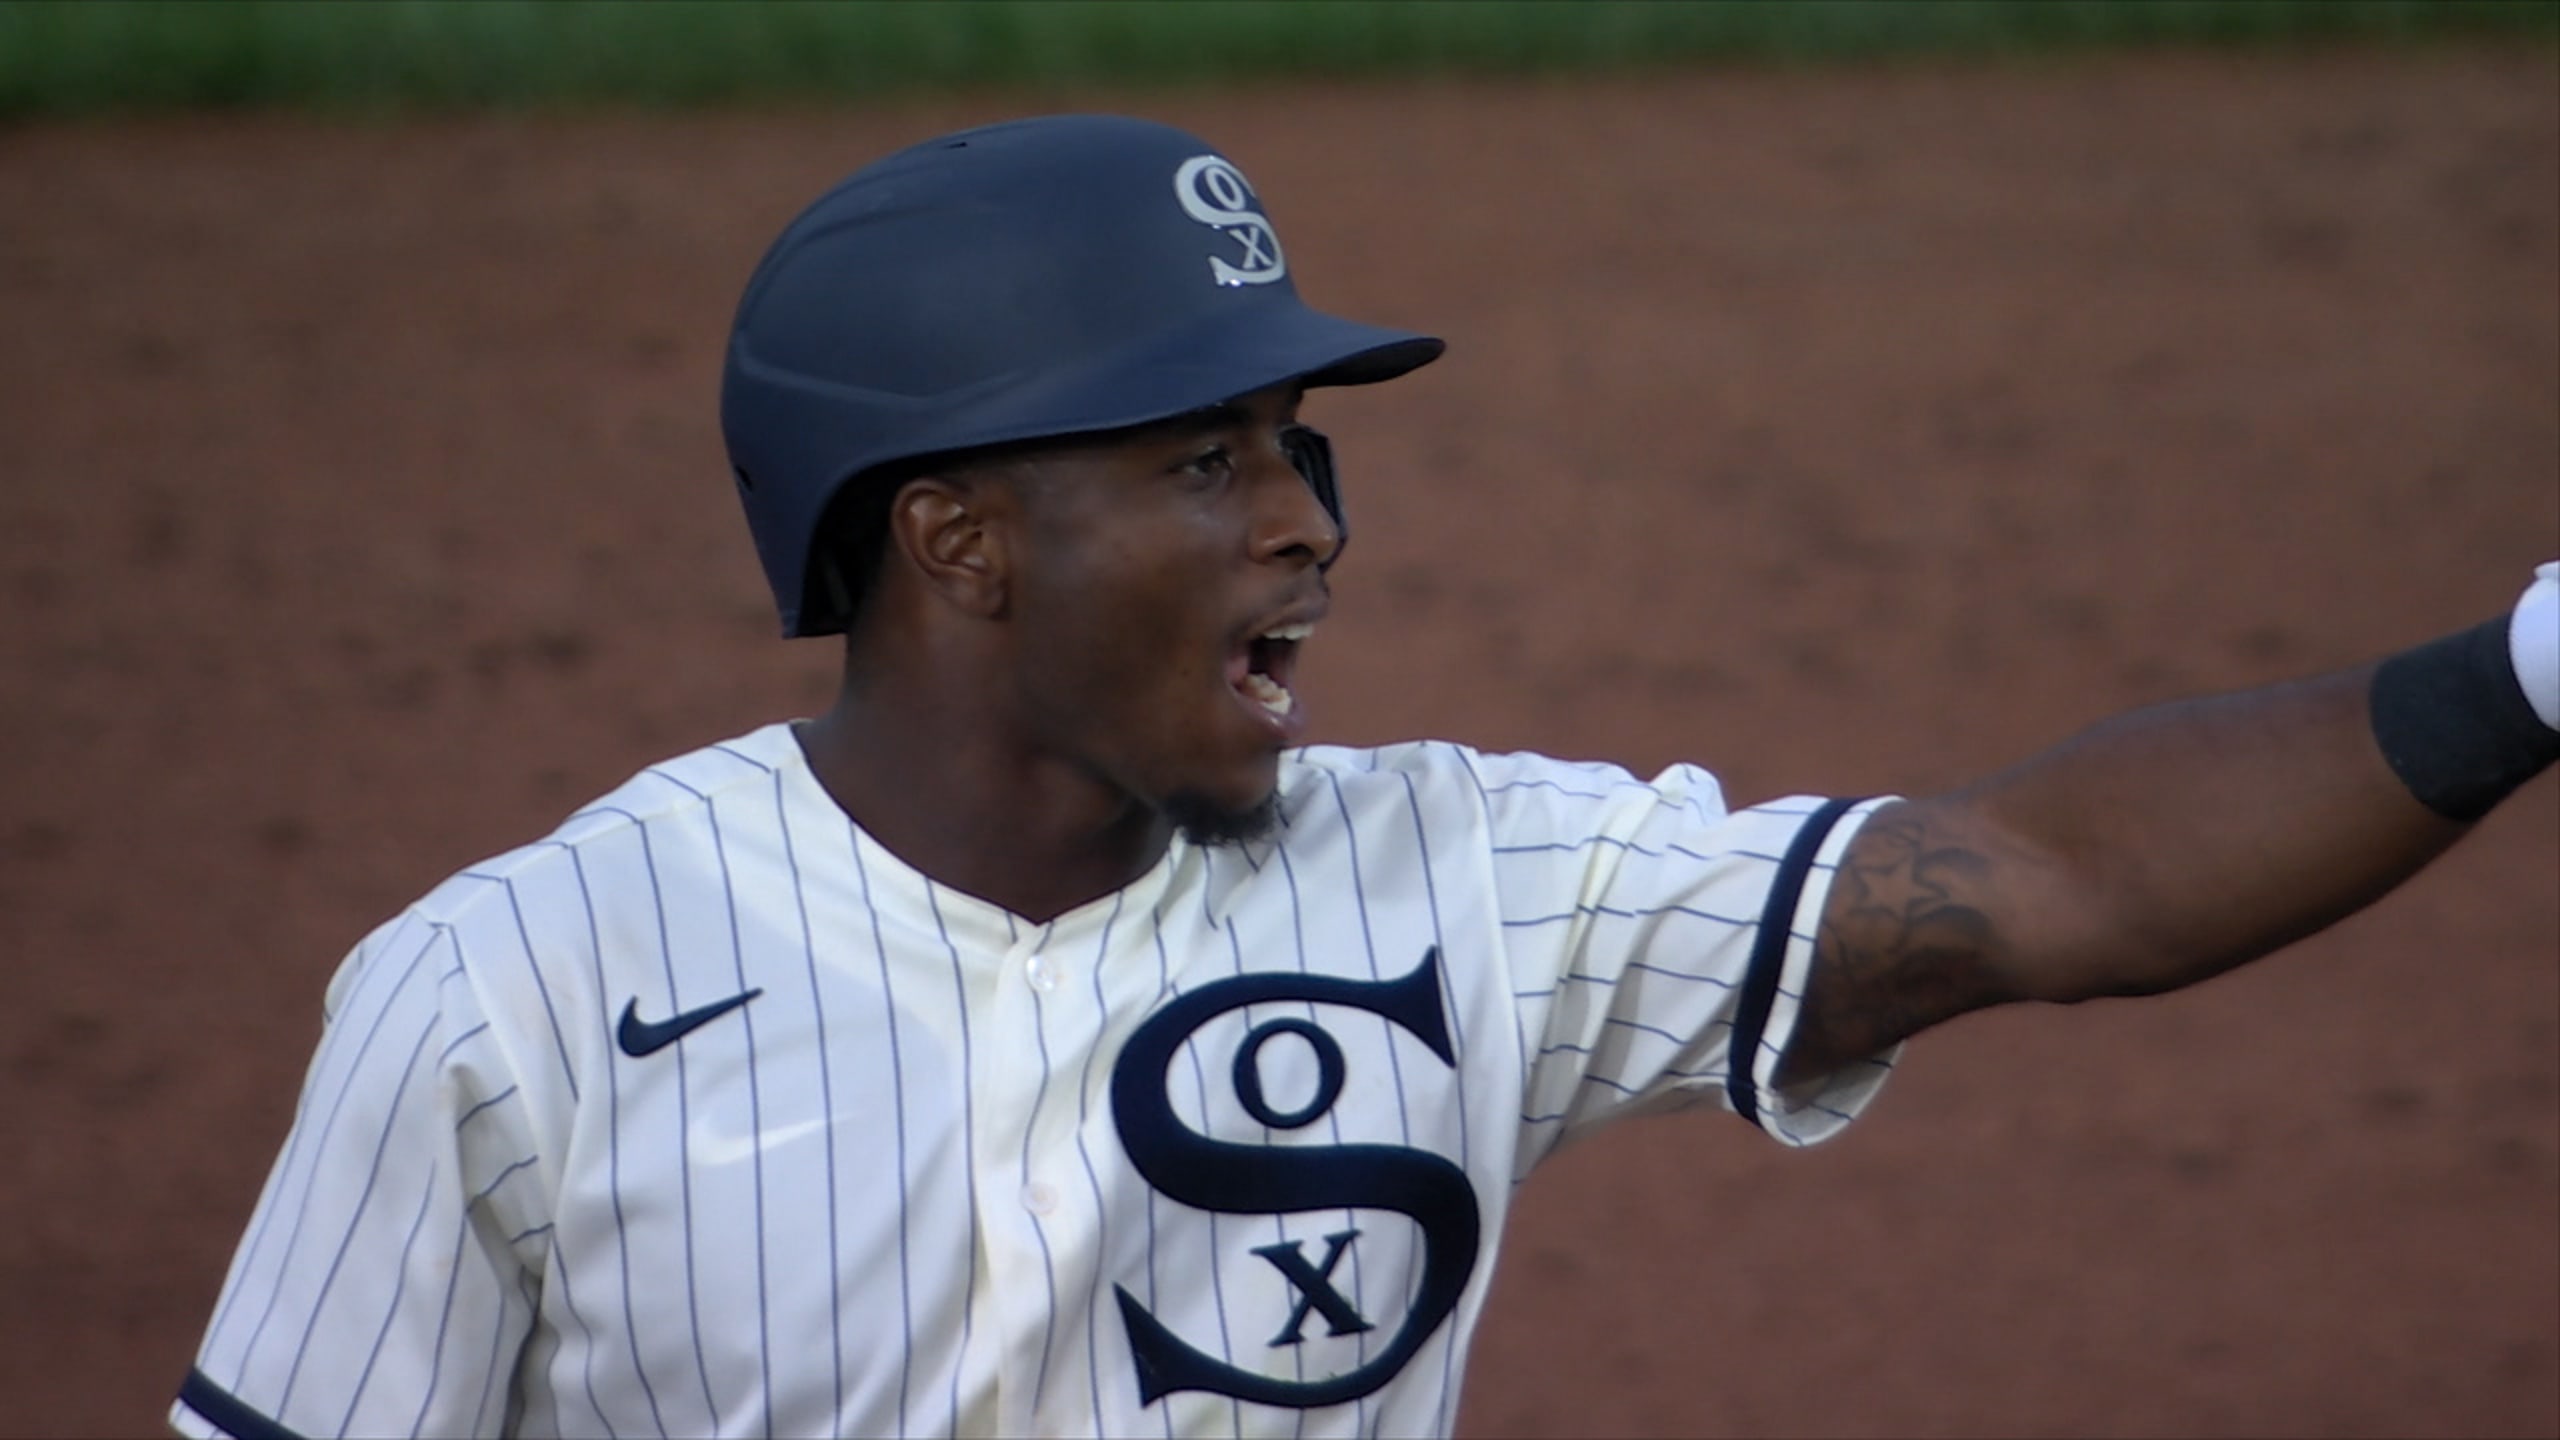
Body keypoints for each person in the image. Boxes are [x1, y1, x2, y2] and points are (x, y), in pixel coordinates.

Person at [171, 113, 2557, 1440]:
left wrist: (2534, 662)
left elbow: (2042, 884)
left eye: (1297, 448)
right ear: (955, 538)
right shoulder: (513, 994)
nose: (1306, 522)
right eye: (1203, 458)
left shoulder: (1464, 877)